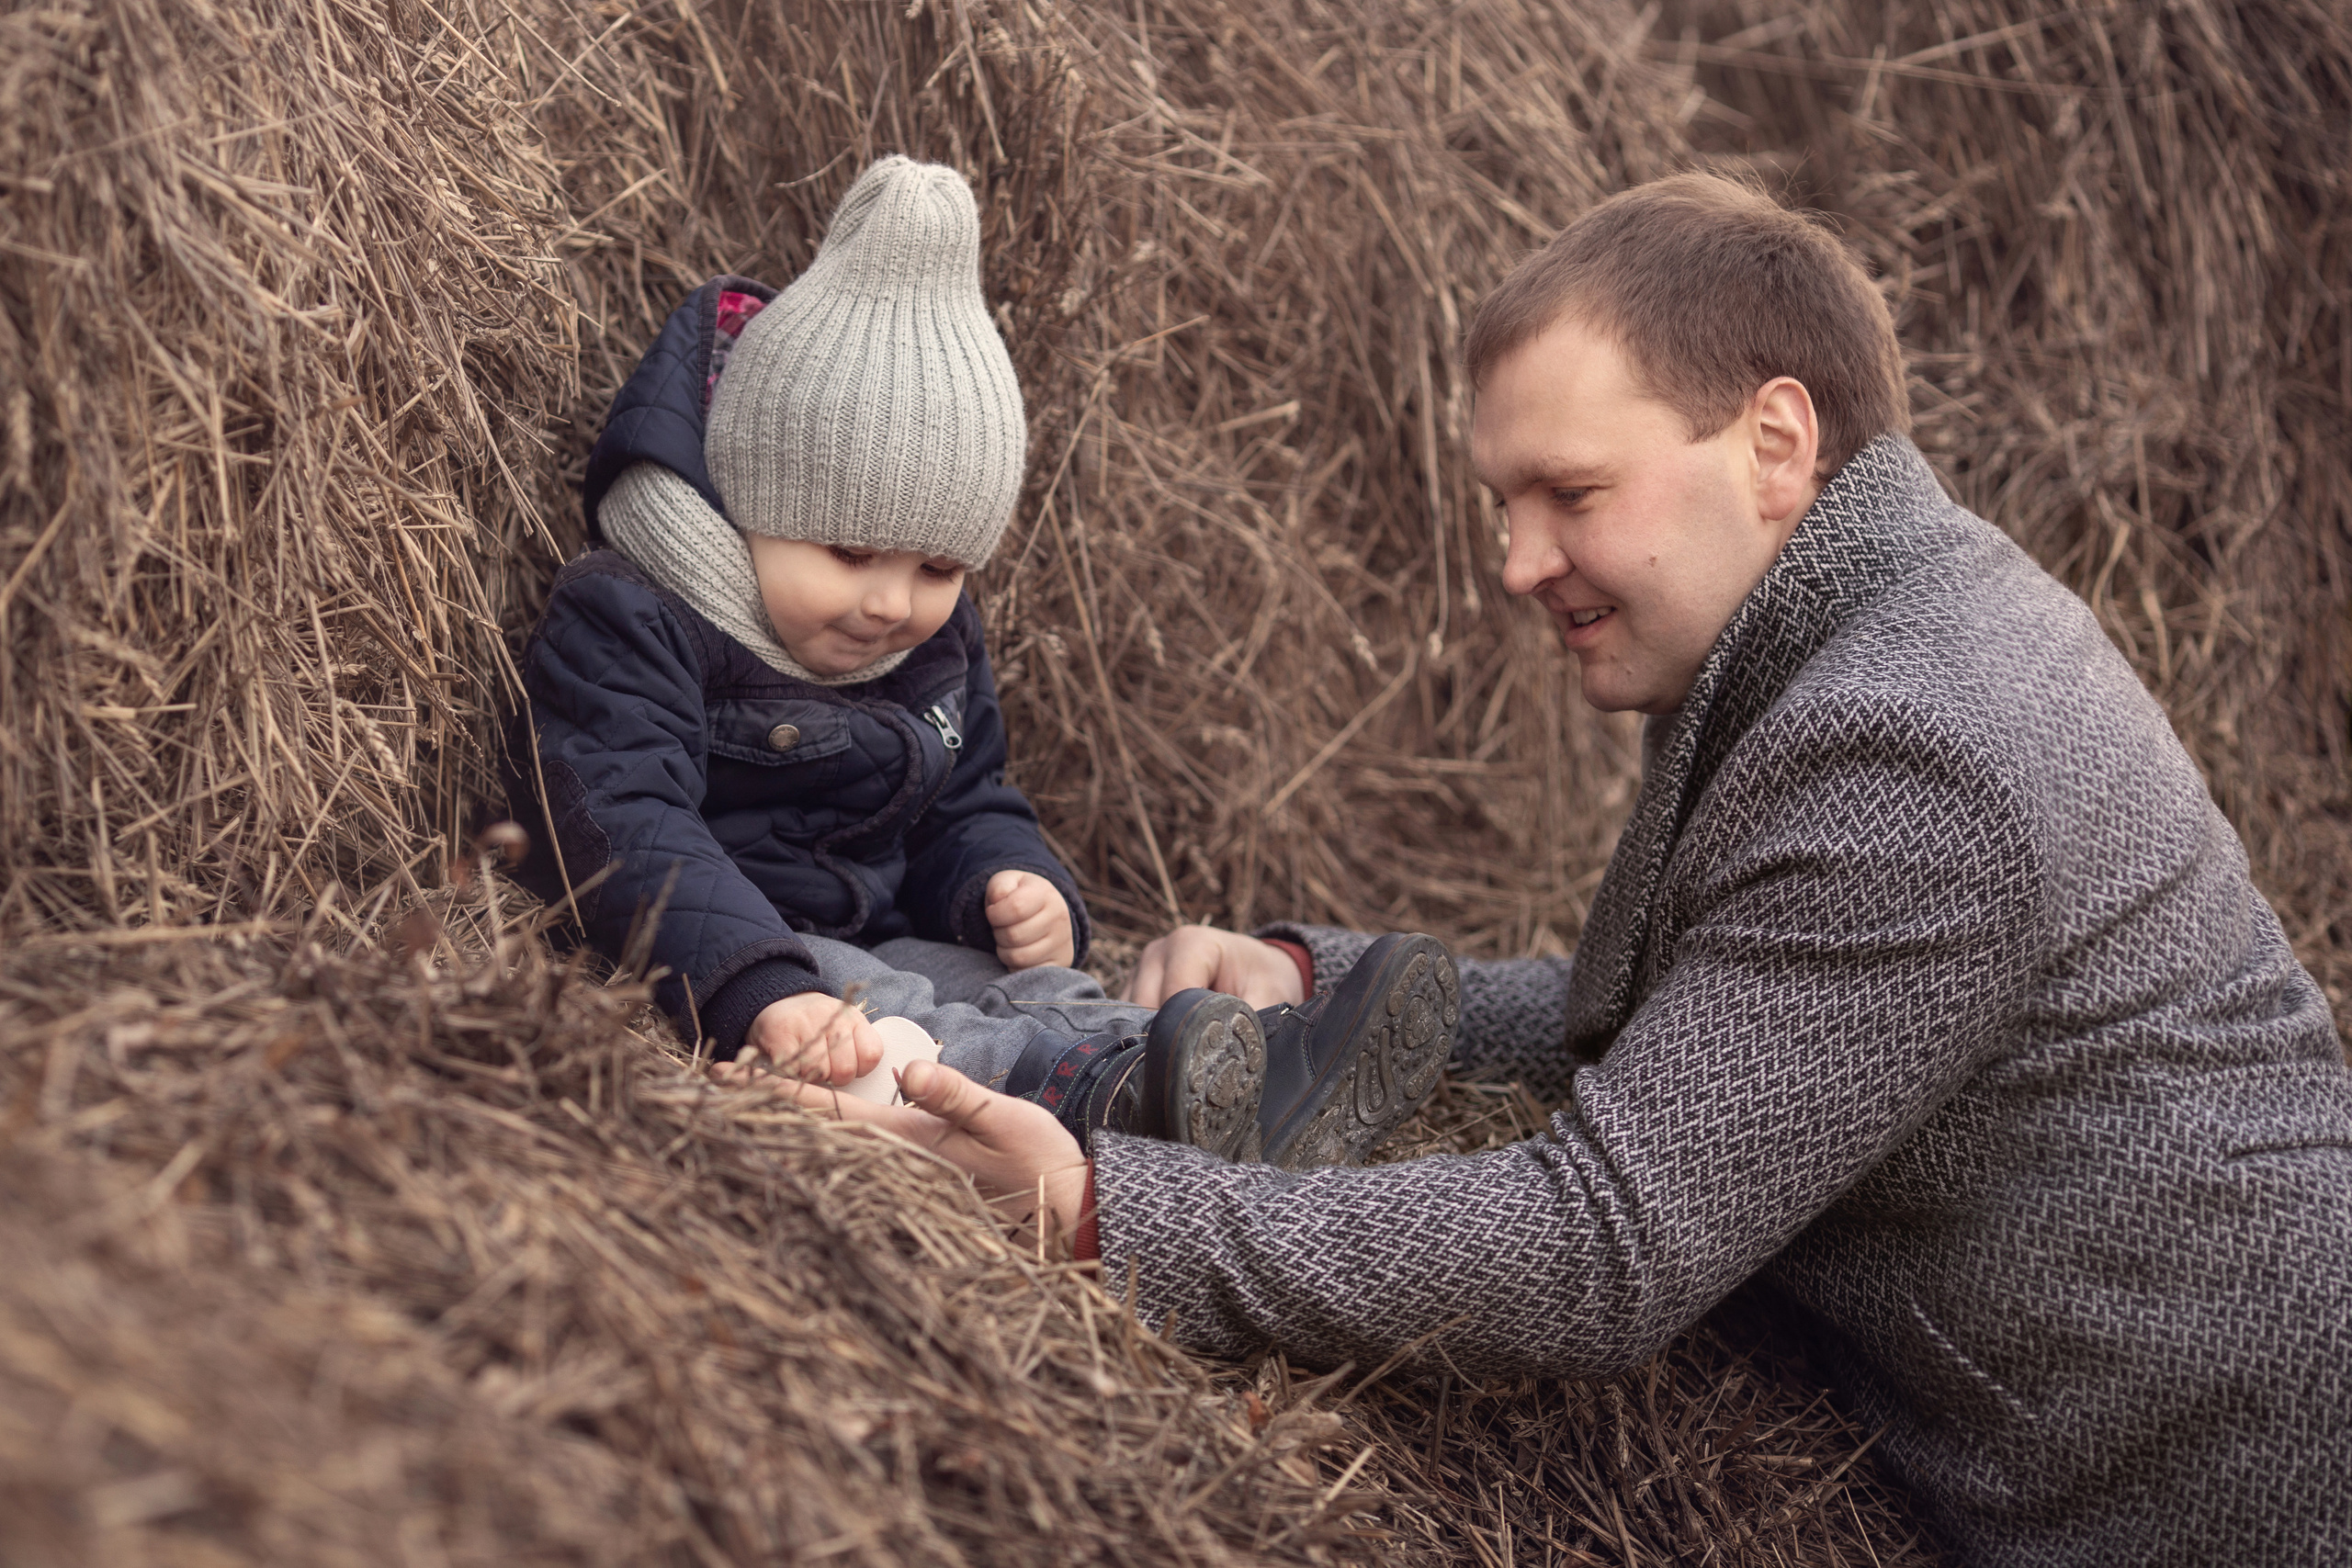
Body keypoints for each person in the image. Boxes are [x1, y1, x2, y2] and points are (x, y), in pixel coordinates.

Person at [789, 174, 2352, 1564]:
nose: (1517, 560)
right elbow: (1707, 1015)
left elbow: (1602, 1251)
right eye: (1504, 504)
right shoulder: (1860, 631)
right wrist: (1312, 974)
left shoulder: (1919, 740)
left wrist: (1098, 1216)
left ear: (1776, 442)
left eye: (1572, 494)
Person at [507, 155, 1460, 1167]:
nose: (890, 602)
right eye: (848, 553)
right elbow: (623, 823)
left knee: (1012, 981)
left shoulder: (928, 640)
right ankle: (1096, 1091)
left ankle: (1245, 1073)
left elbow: (965, 799)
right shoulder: (634, 612)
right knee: (897, 1019)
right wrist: (759, 984)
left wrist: (1009, 878)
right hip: (725, 954)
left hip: (878, 934)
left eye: (938, 566)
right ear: (751, 505)